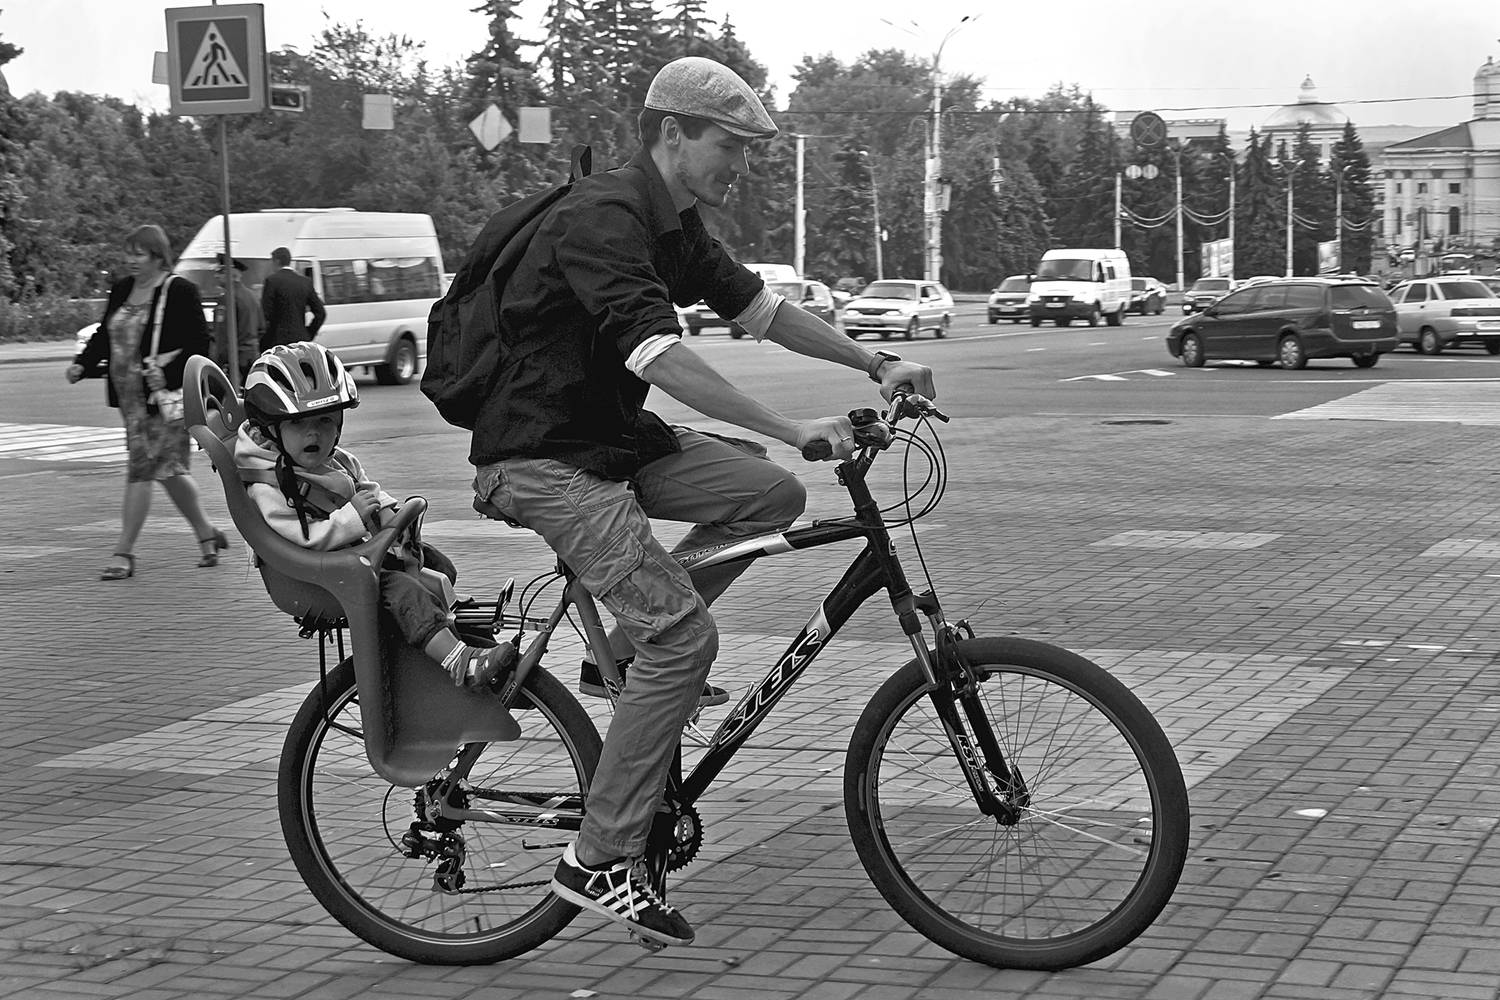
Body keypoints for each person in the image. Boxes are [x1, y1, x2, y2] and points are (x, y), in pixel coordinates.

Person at [467, 55, 938, 947]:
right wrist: (790, 423)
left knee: (770, 492)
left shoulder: (673, 224)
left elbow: (763, 311)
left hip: (610, 442)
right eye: (733, 145)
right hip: (542, 460)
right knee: (684, 638)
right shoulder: (603, 219)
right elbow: (661, 358)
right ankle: (598, 858)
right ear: (673, 134)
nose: (743, 165)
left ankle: (622, 657)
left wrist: (876, 362)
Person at [237, 342, 515, 688]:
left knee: (436, 564)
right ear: (270, 429)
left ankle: (462, 635)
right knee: (401, 589)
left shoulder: (337, 461)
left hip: (349, 561)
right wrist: (351, 518)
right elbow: (297, 539)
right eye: (298, 423)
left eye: (325, 420)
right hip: (312, 576)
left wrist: (389, 514)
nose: (314, 433)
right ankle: (460, 663)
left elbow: (369, 490)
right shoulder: (268, 485)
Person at [66, 224, 229, 580]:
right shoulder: (124, 288)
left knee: (141, 469)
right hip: (130, 400)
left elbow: (199, 344)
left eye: (138, 254)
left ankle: (123, 552)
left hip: (161, 399)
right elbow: (106, 333)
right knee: (168, 471)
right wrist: (83, 364)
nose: (131, 260)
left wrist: (167, 376)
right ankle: (207, 535)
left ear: (157, 256)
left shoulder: (179, 290)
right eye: (129, 253)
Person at [210, 253, 263, 382]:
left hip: (234, 362)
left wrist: (217, 364)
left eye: (220, 272)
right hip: (253, 357)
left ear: (231, 274)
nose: (216, 276)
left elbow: (222, 336)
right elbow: (261, 327)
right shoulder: (252, 296)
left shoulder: (226, 299)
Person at [260, 246, 326, 348]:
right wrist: (308, 333)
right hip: (301, 340)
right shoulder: (305, 282)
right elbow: (320, 313)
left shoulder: (272, 281)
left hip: (277, 340)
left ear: (277, 261)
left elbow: (266, 313)